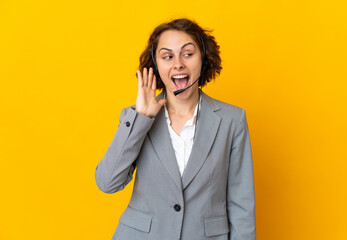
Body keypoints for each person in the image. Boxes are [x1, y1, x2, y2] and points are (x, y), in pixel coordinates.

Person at [95, 18, 256, 240]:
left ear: (204, 59)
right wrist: (142, 117)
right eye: (167, 56)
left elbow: (242, 205)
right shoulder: (134, 118)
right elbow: (107, 182)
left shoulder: (232, 120)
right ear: (155, 66)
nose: (178, 63)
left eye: (188, 54)